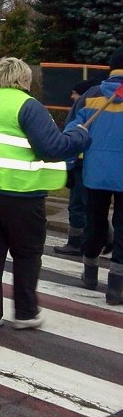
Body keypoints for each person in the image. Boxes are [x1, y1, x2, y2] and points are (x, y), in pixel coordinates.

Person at [0, 57, 91, 330]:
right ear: (22, 80)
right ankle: (26, 312)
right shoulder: (28, 105)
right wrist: (79, 137)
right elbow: (51, 148)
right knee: (27, 253)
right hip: (20, 192)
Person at [66, 48, 123, 304]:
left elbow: (73, 132)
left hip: (94, 173)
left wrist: (67, 165)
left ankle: (90, 272)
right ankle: (116, 288)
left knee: (96, 221)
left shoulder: (90, 95)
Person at [53, 79, 95, 255]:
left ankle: (76, 242)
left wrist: (67, 162)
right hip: (92, 163)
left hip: (80, 163)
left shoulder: (83, 108)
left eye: (74, 93)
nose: (72, 96)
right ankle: (103, 238)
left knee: (78, 204)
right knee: (92, 204)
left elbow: (71, 137)